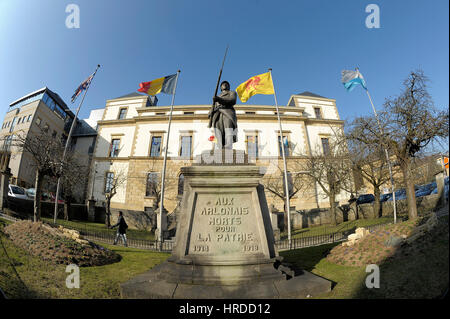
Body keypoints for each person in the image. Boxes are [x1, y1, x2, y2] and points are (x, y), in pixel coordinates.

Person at [208, 81, 238, 149]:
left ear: (229, 86)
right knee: (218, 131)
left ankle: (228, 145)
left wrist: (219, 99)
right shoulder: (217, 96)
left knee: (228, 129)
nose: (224, 85)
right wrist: (210, 112)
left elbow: (232, 100)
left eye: (226, 84)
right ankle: (220, 146)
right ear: (220, 88)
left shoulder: (232, 93)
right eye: (222, 84)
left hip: (227, 112)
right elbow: (214, 106)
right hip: (217, 114)